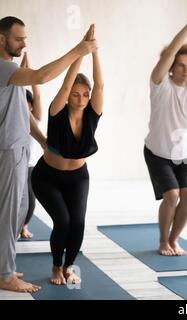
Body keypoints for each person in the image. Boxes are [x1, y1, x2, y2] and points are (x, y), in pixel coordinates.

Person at [0, 16, 97, 293]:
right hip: (7, 150)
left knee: (18, 211)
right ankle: (5, 275)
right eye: (18, 38)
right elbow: (42, 76)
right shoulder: (4, 67)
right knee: (8, 214)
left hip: (19, 150)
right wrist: (79, 50)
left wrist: (42, 141)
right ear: (1, 39)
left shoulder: (11, 72)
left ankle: (3, 266)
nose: (24, 43)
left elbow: (23, 112)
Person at [31, 24, 104, 285]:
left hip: (78, 177)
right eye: (76, 94)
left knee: (78, 223)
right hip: (47, 176)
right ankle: (55, 267)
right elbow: (64, 85)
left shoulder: (92, 113)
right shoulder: (57, 111)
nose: (81, 98)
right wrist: (80, 52)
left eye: (84, 94)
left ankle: (69, 266)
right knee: (62, 221)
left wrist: (94, 51)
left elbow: (100, 85)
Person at [144, 0, 187, 256]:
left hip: (186, 153)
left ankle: (174, 240)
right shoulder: (160, 85)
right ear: (171, 67)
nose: (185, 69)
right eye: (180, 64)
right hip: (158, 152)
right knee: (172, 195)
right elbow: (169, 52)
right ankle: (163, 240)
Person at [19, 52, 43, 239]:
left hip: (31, 167)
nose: (27, 109)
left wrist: (31, 74)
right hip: (15, 165)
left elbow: (38, 96)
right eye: (23, 105)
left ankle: (24, 226)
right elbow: (15, 89)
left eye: (29, 105)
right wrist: (21, 70)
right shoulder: (14, 119)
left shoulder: (35, 119)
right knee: (16, 201)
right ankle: (14, 227)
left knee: (31, 202)